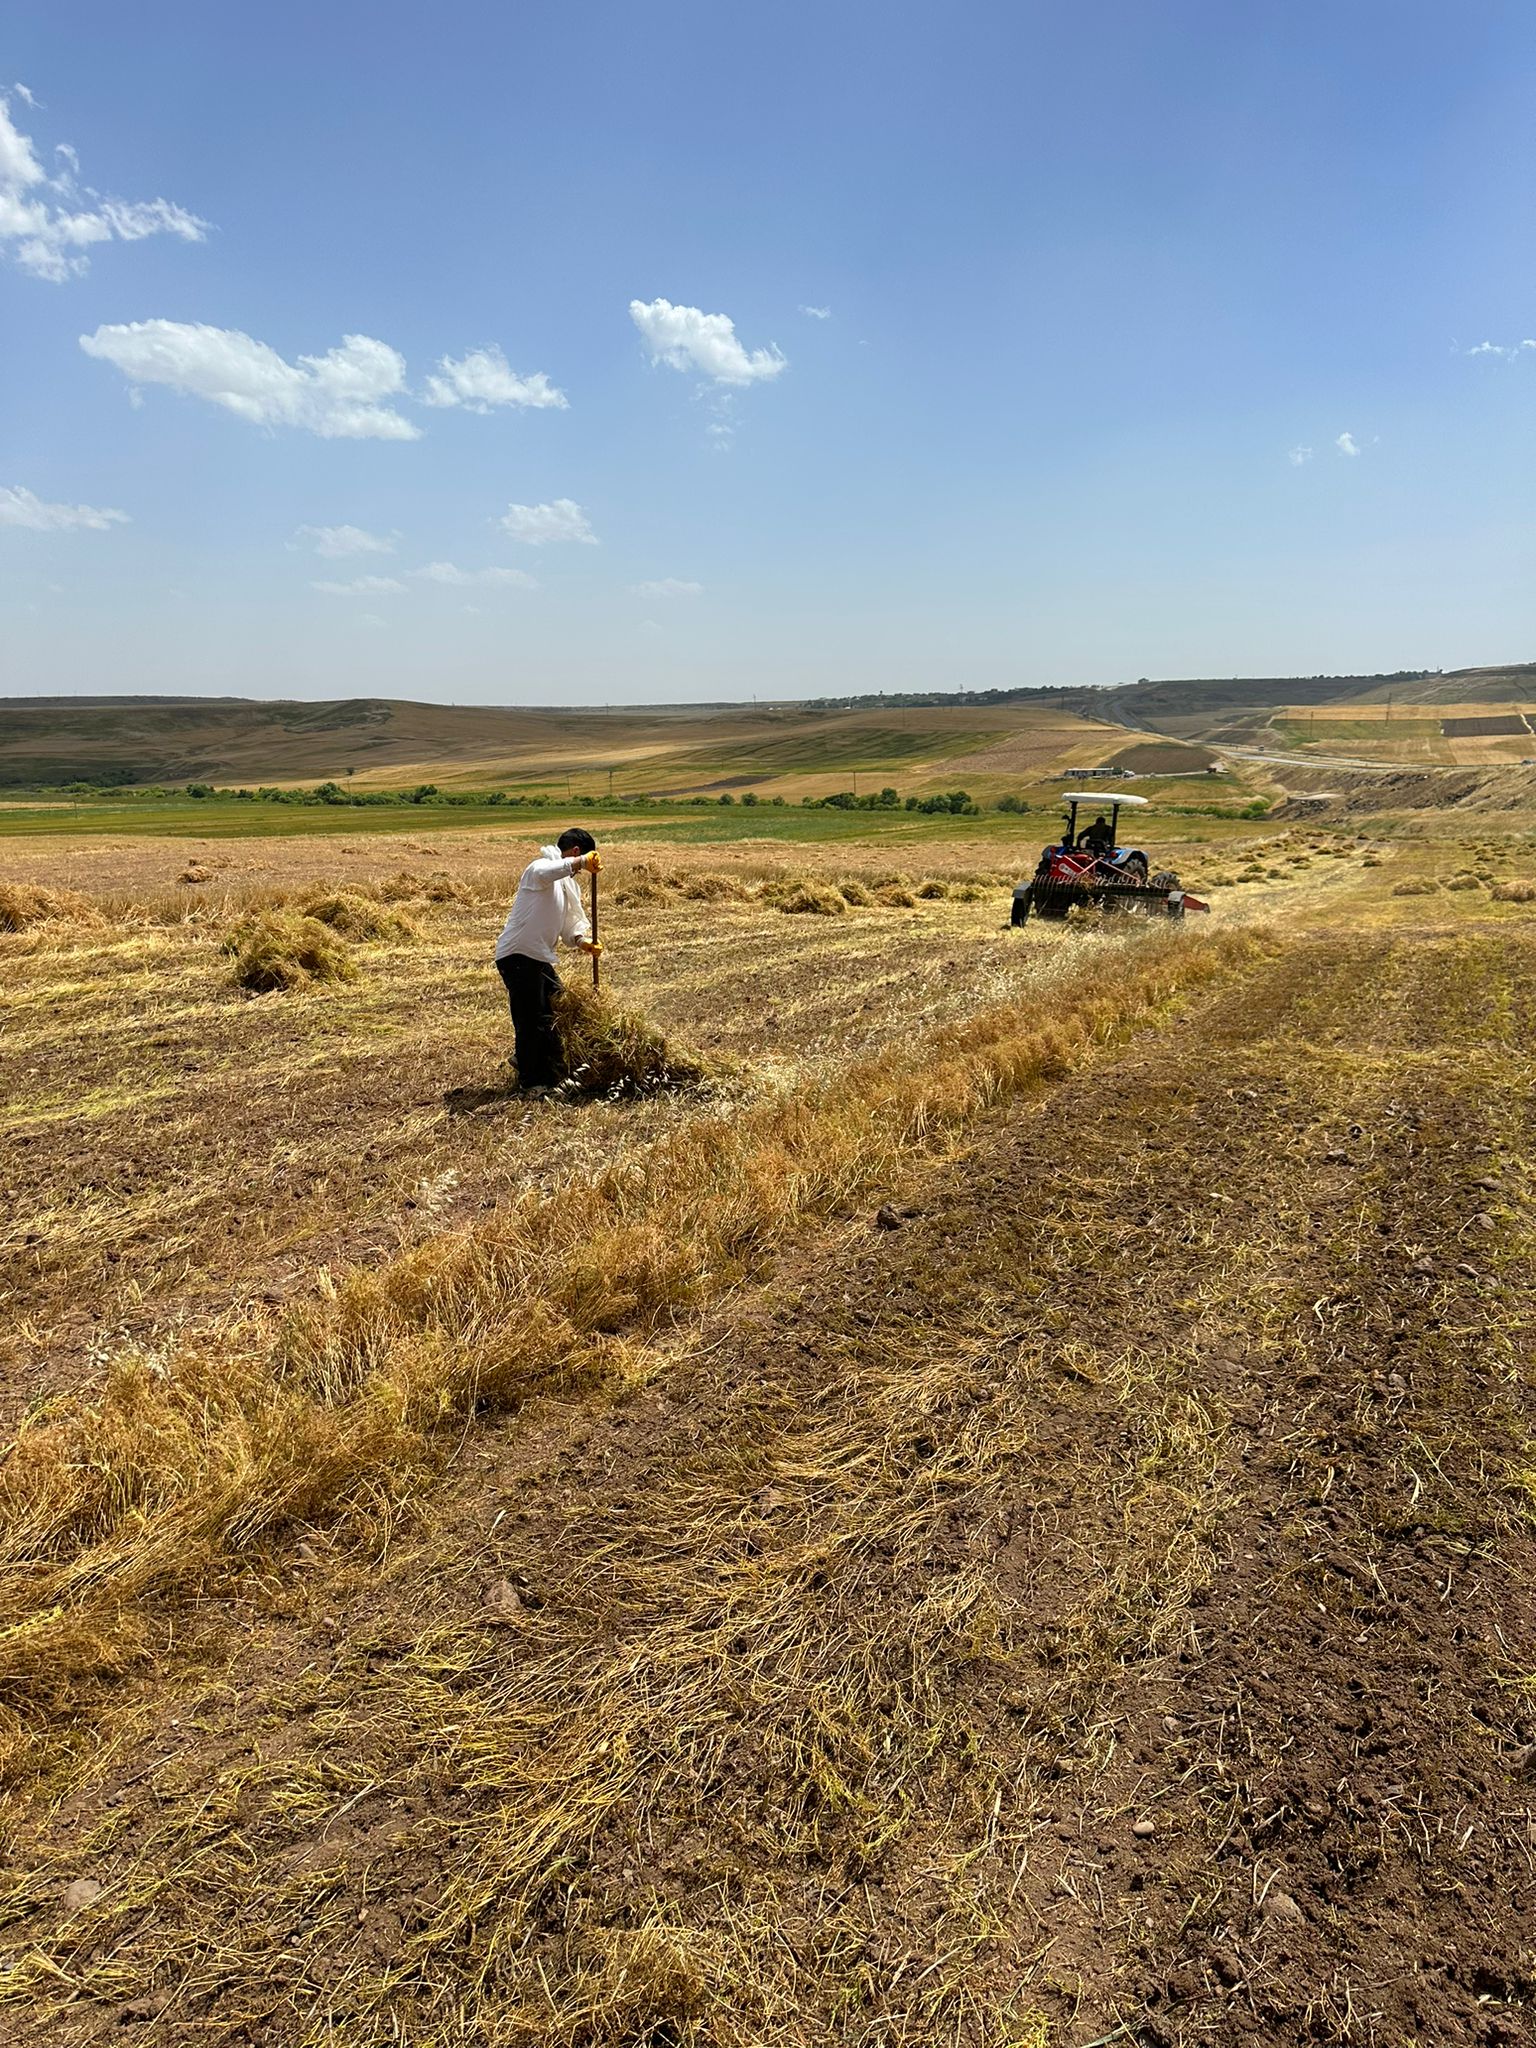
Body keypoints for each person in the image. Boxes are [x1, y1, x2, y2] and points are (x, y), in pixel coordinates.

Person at [495, 829, 602, 1092]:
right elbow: (549, 872)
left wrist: (582, 941)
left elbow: (568, 924)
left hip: (538, 957)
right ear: (577, 852)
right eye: (583, 861)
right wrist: (579, 864)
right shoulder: (540, 868)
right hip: (518, 954)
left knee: (556, 1008)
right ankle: (532, 1083)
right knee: (533, 1019)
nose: (581, 870)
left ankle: (526, 1059)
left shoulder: (566, 886)